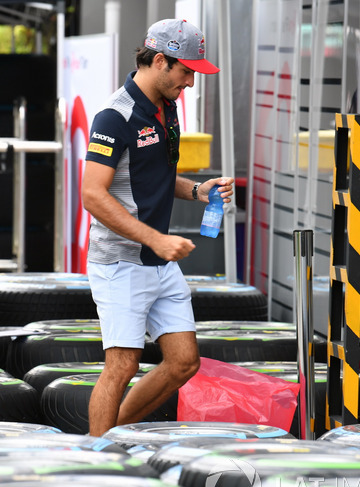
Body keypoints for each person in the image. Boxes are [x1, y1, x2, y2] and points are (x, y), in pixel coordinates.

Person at [81, 19, 235, 436]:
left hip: (157, 259)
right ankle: (95, 464)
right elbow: (92, 194)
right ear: (161, 61)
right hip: (120, 262)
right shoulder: (115, 116)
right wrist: (155, 238)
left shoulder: (167, 108)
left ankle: (113, 437)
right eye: (186, 71)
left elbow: (158, 178)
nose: (190, 82)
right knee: (122, 365)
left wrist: (200, 190)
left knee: (184, 362)